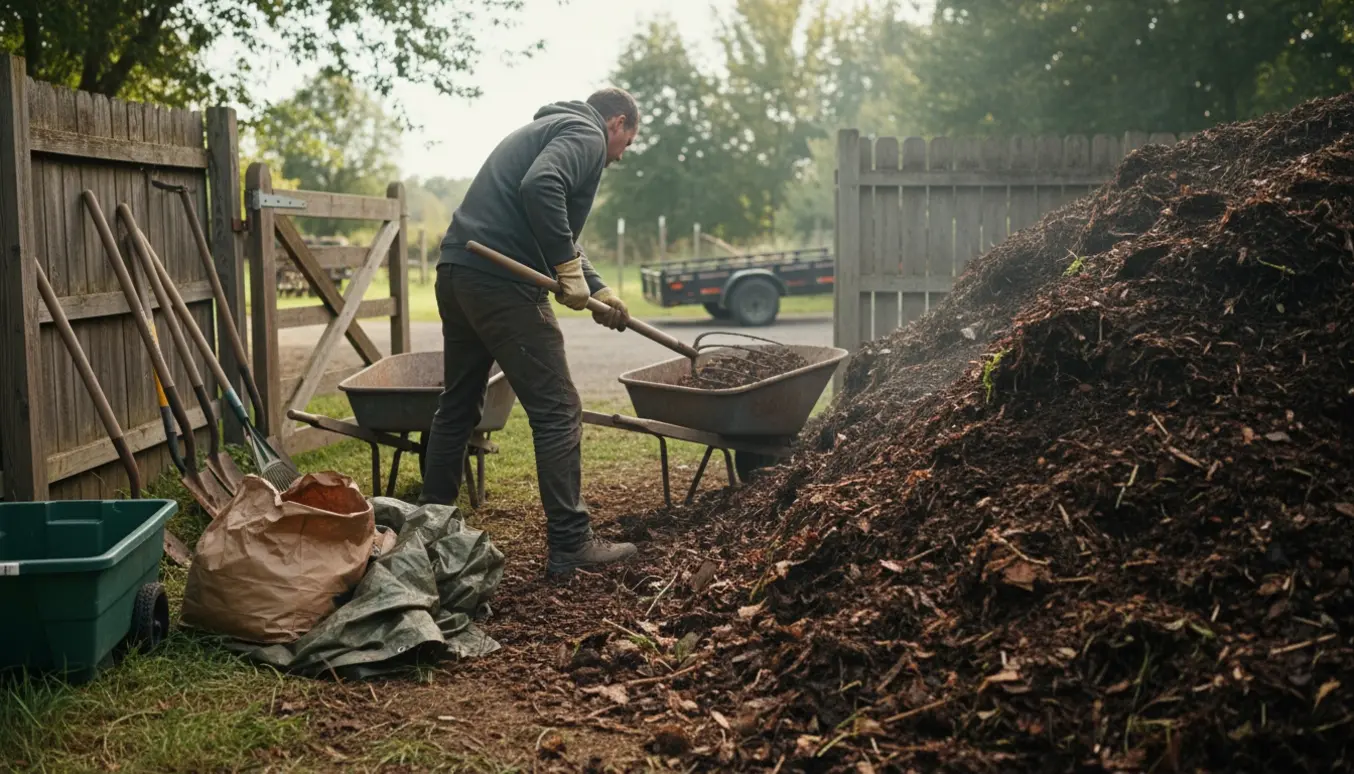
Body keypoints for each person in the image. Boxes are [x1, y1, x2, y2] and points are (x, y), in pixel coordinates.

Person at [420, 88, 640, 579]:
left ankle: (428, 531)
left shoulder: (549, 128)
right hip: (501, 283)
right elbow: (541, 188)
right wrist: (565, 265)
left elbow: (543, 220)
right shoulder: (584, 131)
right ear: (617, 122)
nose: (619, 158)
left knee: (458, 404)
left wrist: (597, 288)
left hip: (459, 272)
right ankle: (571, 544)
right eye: (626, 144)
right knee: (558, 408)